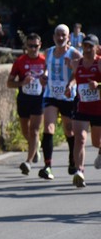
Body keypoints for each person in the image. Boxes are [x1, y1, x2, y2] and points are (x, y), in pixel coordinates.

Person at [38, 24, 82, 180]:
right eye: (58, 35)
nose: (60, 38)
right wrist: (43, 76)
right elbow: (46, 68)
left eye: (63, 35)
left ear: (68, 37)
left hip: (68, 96)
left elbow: (78, 74)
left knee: (69, 131)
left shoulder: (74, 54)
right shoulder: (48, 52)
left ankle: (72, 160)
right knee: (48, 128)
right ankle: (47, 166)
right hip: (51, 94)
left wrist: (70, 85)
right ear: (54, 37)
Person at [6, 33, 46, 176]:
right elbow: (9, 83)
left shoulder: (45, 61)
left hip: (38, 99)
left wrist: (45, 82)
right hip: (24, 99)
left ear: (40, 45)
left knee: (34, 130)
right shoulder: (20, 61)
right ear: (26, 46)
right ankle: (35, 146)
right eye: (30, 46)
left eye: (36, 46)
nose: (33, 49)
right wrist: (22, 83)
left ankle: (28, 161)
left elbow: (53, 79)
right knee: (25, 131)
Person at [67, 34, 101, 187]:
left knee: (96, 142)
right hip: (81, 106)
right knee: (79, 139)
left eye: (90, 47)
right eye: (85, 46)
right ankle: (79, 171)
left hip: (98, 109)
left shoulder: (99, 64)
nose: (87, 49)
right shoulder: (76, 63)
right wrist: (69, 86)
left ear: (97, 48)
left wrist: (98, 85)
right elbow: (75, 78)